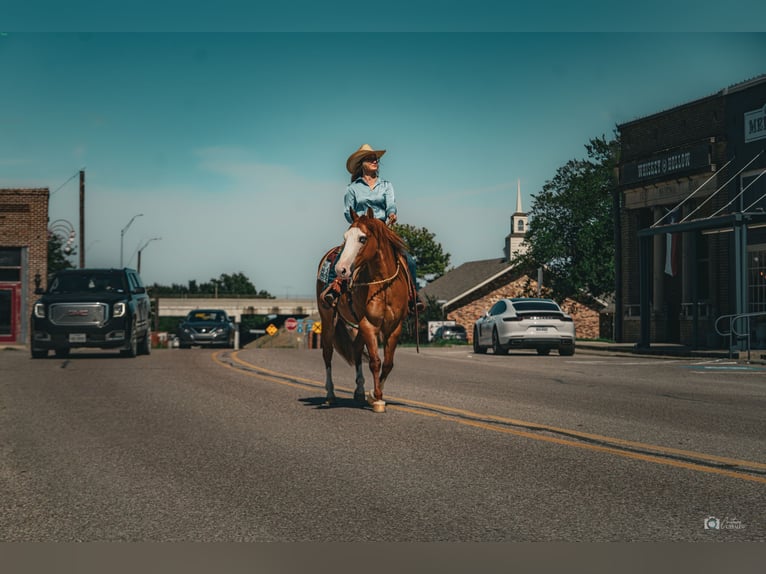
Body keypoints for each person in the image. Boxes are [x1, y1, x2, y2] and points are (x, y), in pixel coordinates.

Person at [322, 143, 425, 313]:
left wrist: (392, 213)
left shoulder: (386, 185)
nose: (375, 161)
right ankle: (334, 287)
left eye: (375, 159)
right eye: (370, 159)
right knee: (341, 255)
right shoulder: (352, 188)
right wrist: (359, 223)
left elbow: (391, 204)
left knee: (409, 259)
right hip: (361, 229)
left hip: (382, 229)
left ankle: (413, 296)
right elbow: (348, 212)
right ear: (361, 163)